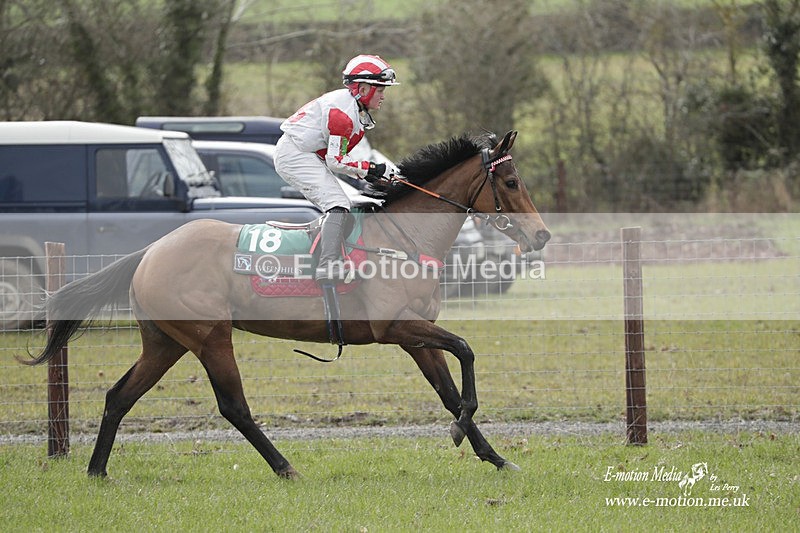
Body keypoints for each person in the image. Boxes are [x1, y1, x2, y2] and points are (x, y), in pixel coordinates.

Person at [274, 54, 399, 283]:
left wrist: (373, 173)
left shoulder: (353, 108)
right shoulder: (342, 114)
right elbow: (336, 161)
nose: (383, 96)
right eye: (380, 90)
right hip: (295, 155)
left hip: (307, 154)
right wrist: (372, 169)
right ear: (362, 89)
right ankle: (327, 266)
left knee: (344, 204)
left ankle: (334, 256)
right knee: (338, 204)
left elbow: (342, 158)